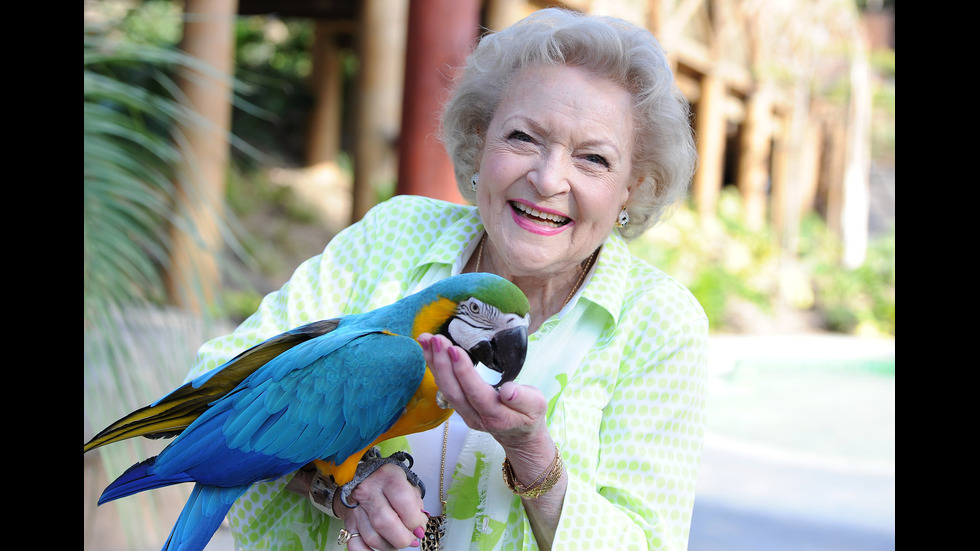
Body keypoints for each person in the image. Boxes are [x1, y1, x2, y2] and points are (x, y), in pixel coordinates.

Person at [184, 7, 707, 550]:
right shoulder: (396, 236)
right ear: (480, 142)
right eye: (524, 138)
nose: (548, 179)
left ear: (633, 188)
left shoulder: (659, 323)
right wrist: (343, 487)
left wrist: (532, 456)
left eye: (593, 158)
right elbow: (218, 382)